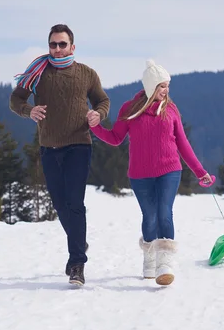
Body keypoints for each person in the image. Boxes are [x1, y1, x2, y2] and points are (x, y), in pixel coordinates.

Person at [87, 59, 214, 286]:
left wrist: (200, 172)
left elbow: (183, 144)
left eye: (167, 86)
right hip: (140, 174)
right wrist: (95, 126)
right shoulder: (129, 109)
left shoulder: (171, 110)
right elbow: (116, 138)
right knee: (150, 216)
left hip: (169, 170)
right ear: (150, 86)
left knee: (165, 212)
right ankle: (150, 257)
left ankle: (165, 264)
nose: (165, 91)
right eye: (161, 86)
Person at [9, 24, 110, 286]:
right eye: (53, 44)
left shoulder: (87, 74)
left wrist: (98, 114)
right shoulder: (38, 73)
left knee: (75, 203)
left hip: (79, 144)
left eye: (62, 44)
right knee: (60, 204)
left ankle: (77, 263)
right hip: (49, 146)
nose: (57, 49)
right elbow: (16, 99)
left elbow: (103, 101)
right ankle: (79, 241)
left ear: (72, 47)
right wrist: (27, 111)